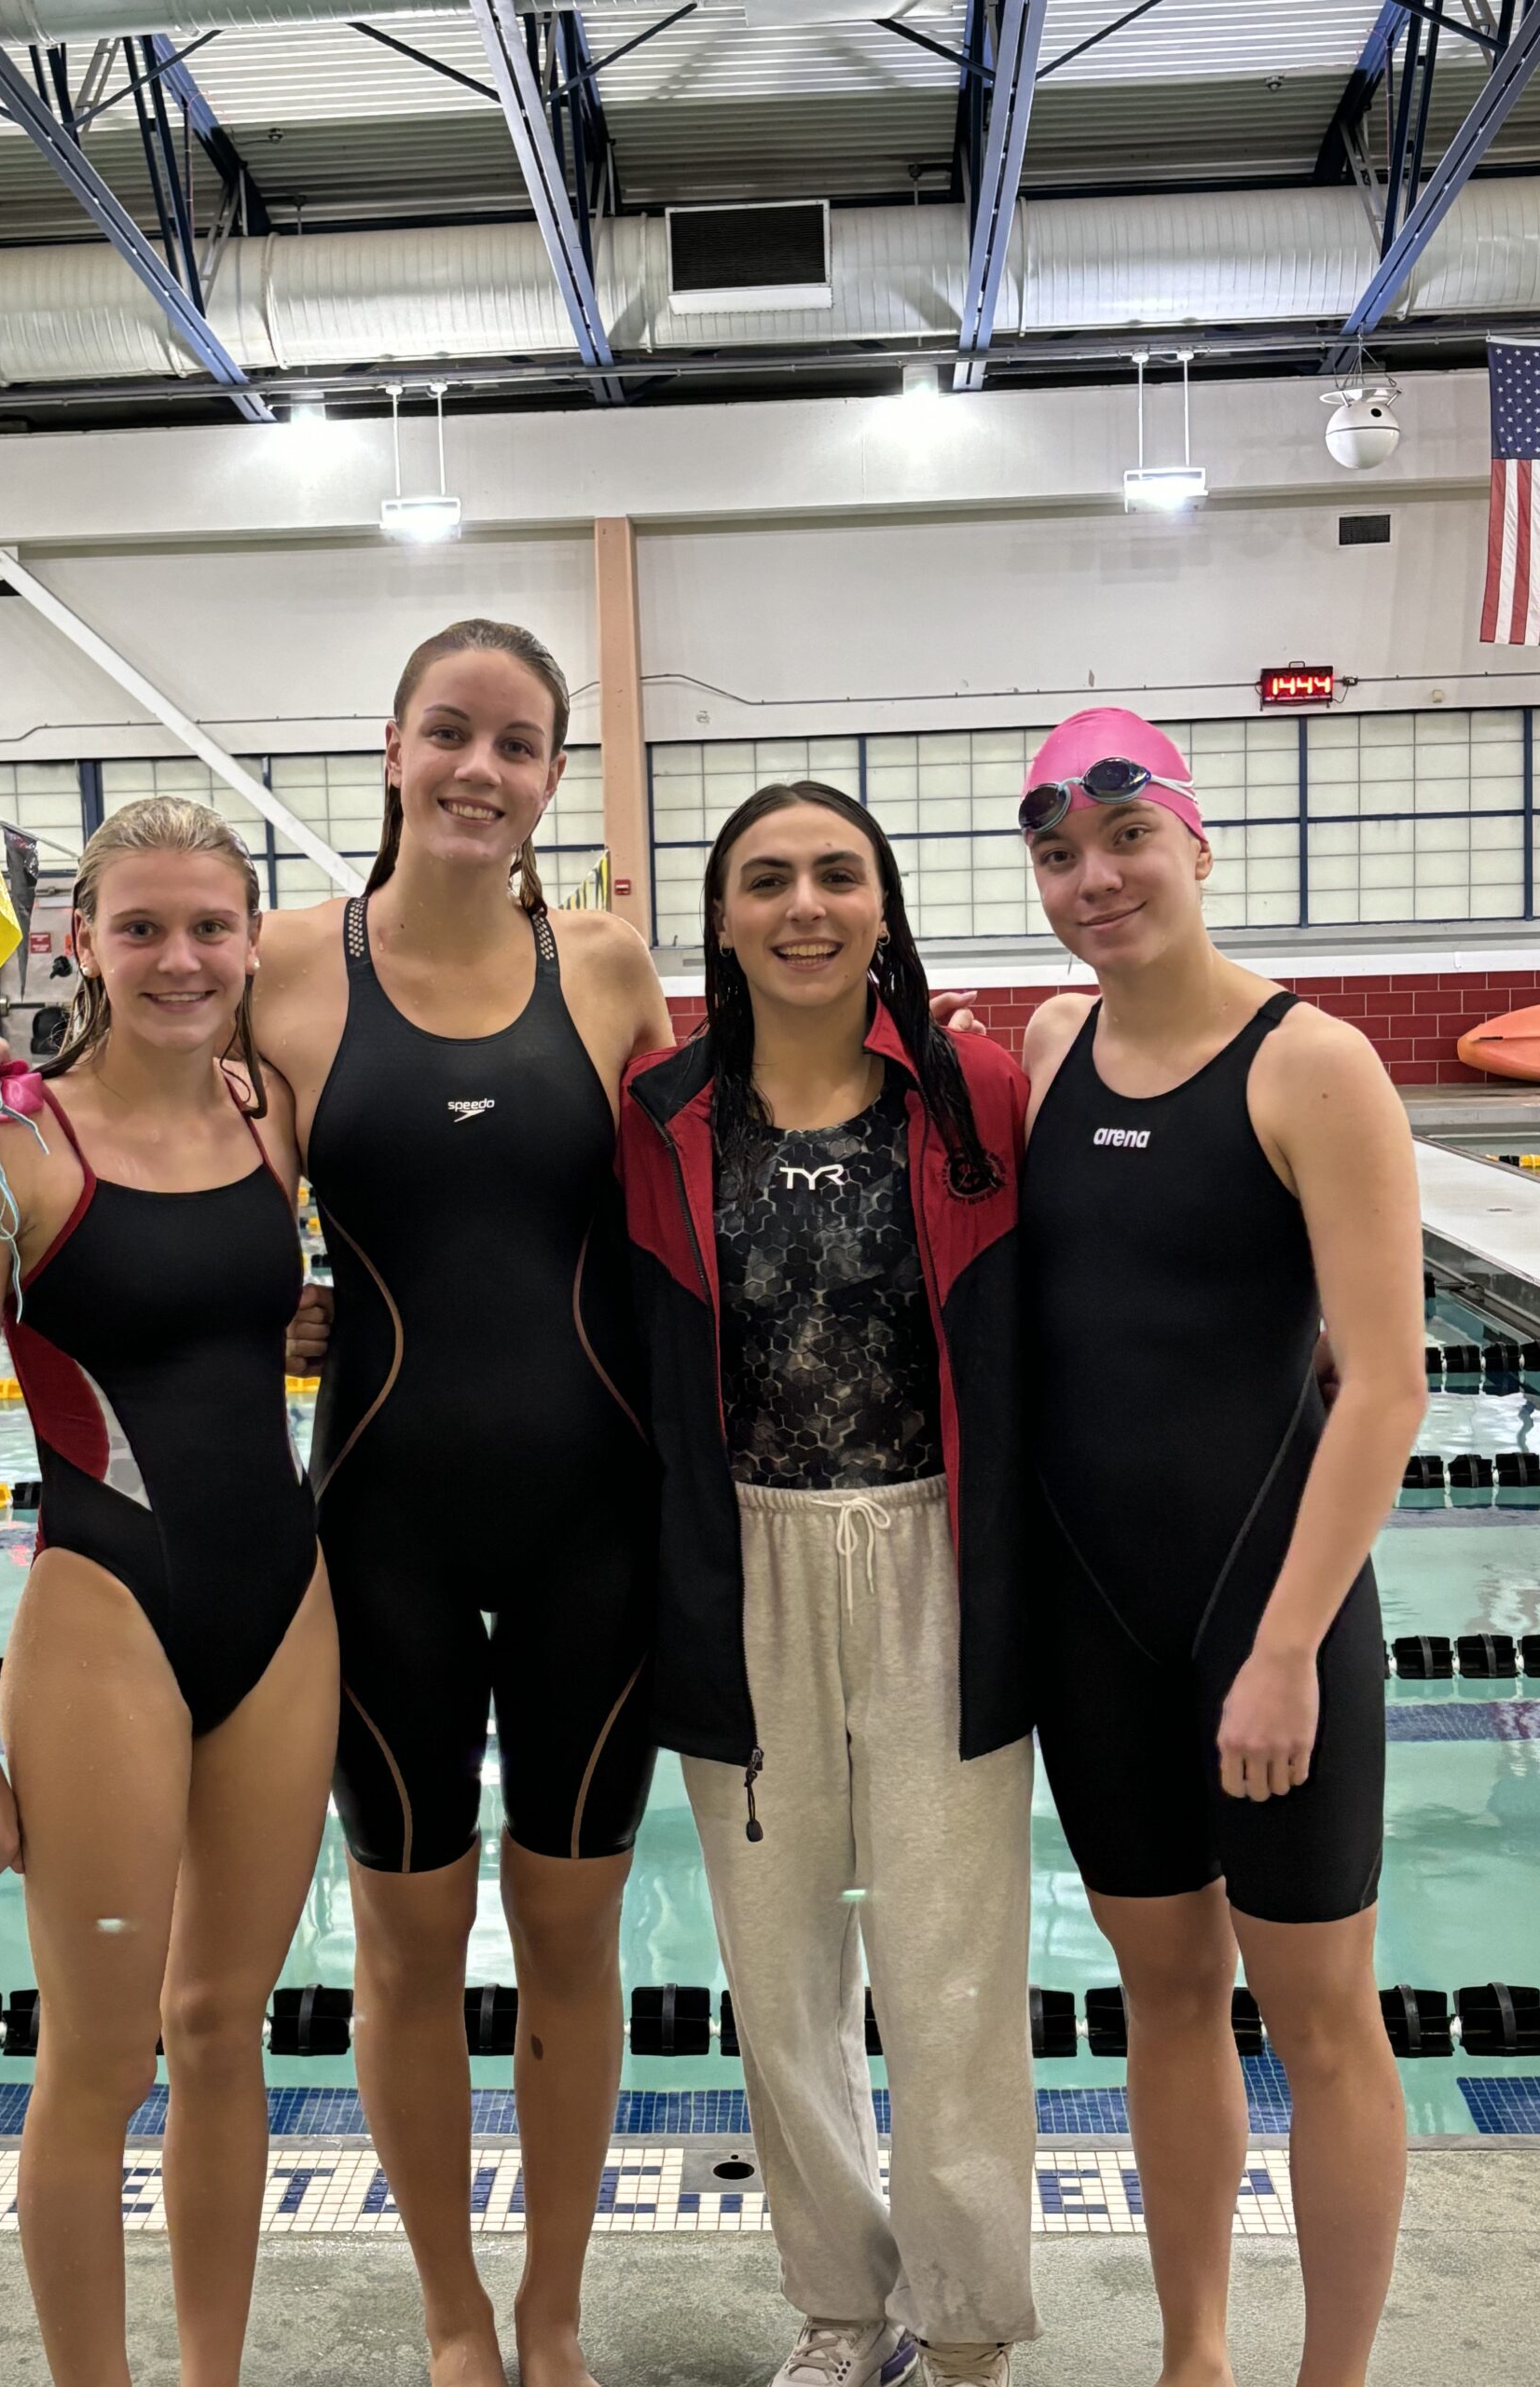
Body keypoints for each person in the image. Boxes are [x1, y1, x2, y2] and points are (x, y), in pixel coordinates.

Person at [0, 620, 674, 2387]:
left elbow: (678, 1209)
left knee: (436, 1969)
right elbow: (80, 1113)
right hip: (332, 1539)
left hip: (524, 1545)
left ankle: (519, 2324)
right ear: (391, 747)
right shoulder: (258, 995)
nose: (483, 768)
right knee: (313, 1980)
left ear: (553, 773)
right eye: (450, 733)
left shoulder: (591, 979)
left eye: (521, 742)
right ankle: (449, 2321)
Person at [1016, 709, 1426, 2387]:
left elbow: (1389, 1388)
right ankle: (1198, 2356)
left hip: (1275, 1626)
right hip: (1092, 1618)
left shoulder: (1311, 1064)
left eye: (1127, 837)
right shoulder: (1045, 1049)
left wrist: (1280, 1652)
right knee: (1164, 1999)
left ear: (1197, 844)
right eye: (1058, 853)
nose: (1095, 878)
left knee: (1323, 2019)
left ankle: (1330, 2379)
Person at [0, 796, 335, 2387]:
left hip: (285, 1610)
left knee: (226, 2030)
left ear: (250, 941)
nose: (178, 957)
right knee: (98, 2056)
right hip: (102, 1614)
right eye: (139, 926)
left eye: (209, 926)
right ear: (79, 937)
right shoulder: (3, 1141)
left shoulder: (267, 1108)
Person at [618, 781, 1038, 2387]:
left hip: (935, 1552)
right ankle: (845, 2309)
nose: (806, 905)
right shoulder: (658, 1114)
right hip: (743, 1563)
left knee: (950, 1963)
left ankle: (973, 2319)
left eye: (838, 876)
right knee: (780, 1978)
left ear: (883, 905)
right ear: (721, 918)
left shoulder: (974, 1090)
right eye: (769, 880)